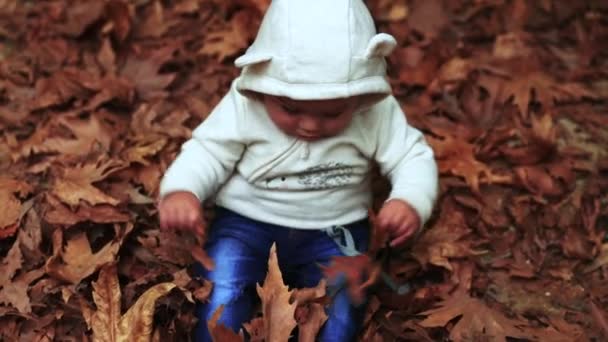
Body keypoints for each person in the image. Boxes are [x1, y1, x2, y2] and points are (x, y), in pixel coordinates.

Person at [157, 0, 438, 340]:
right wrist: (183, 190)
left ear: (360, 97)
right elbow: (209, 150)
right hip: (246, 223)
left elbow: (411, 155)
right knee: (222, 289)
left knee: (343, 301)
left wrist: (409, 200)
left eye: (332, 113)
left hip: (336, 230)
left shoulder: (374, 112)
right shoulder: (247, 102)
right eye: (290, 108)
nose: (309, 125)